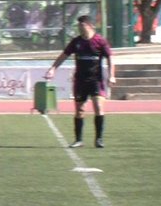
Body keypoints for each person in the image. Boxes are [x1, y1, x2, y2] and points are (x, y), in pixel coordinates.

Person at [43, 15, 114, 148]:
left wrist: (111, 75)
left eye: (82, 26)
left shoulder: (100, 41)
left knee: (98, 107)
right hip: (80, 80)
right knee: (80, 110)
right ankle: (78, 140)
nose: (80, 29)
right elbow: (63, 56)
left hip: (96, 80)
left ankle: (99, 139)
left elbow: (110, 58)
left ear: (90, 26)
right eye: (78, 26)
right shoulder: (76, 41)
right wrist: (53, 69)